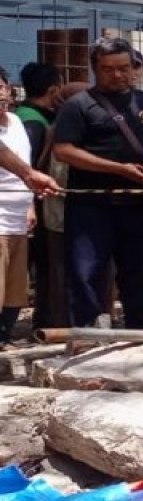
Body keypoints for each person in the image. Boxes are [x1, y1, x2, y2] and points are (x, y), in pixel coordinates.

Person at [52, 38, 143, 329]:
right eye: (108, 69)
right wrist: (119, 169)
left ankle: (140, 336)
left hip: (139, 206)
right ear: (95, 69)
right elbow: (64, 150)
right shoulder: (78, 105)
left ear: (133, 67)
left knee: (139, 276)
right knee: (85, 274)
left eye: (123, 68)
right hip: (91, 206)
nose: (117, 75)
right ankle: (83, 337)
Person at [14, 63, 64, 330]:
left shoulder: (20, 115)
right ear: (53, 88)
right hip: (31, 205)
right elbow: (29, 166)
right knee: (40, 266)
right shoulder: (34, 122)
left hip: (27, 203)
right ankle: (42, 321)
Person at [0, 73, 34, 344]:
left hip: (18, 216)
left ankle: (5, 336)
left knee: (15, 288)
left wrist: (30, 204)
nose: (1, 94)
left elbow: (27, 164)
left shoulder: (16, 121)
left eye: (1, 87)